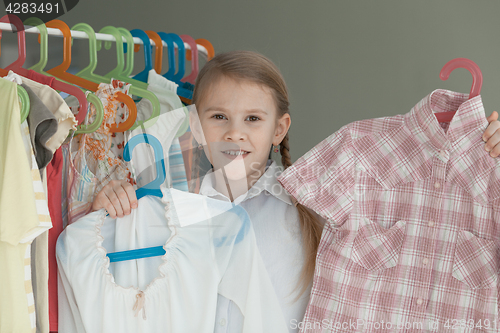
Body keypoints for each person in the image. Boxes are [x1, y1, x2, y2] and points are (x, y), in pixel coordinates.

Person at [91, 50, 500, 332]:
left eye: (253, 118)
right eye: (218, 117)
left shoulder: (309, 207)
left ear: (278, 129)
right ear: (196, 126)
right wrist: (109, 200)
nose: (235, 132)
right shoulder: (163, 197)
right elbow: (106, 255)